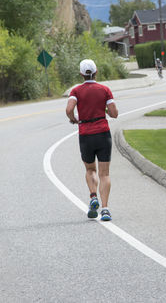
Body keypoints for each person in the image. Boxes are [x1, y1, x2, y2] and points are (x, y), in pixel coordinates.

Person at [66, 59, 118, 221]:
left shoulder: (76, 91)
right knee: (105, 174)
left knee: (90, 170)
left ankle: (93, 196)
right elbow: (114, 113)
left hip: (86, 134)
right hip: (103, 134)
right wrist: (103, 108)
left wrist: (74, 119)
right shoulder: (105, 90)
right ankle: (106, 209)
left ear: (81, 74)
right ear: (96, 72)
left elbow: (69, 109)